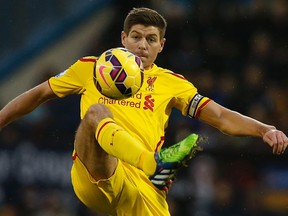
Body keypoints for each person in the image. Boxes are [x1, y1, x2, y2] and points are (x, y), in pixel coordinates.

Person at [0, 7, 287, 216]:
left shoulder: (172, 83)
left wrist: (264, 129)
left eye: (151, 39)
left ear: (161, 45)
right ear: (123, 38)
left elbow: (221, 117)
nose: (142, 44)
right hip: (95, 173)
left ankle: (152, 167)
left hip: (143, 189)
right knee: (96, 114)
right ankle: (154, 163)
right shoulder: (93, 66)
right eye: (136, 36)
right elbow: (39, 94)